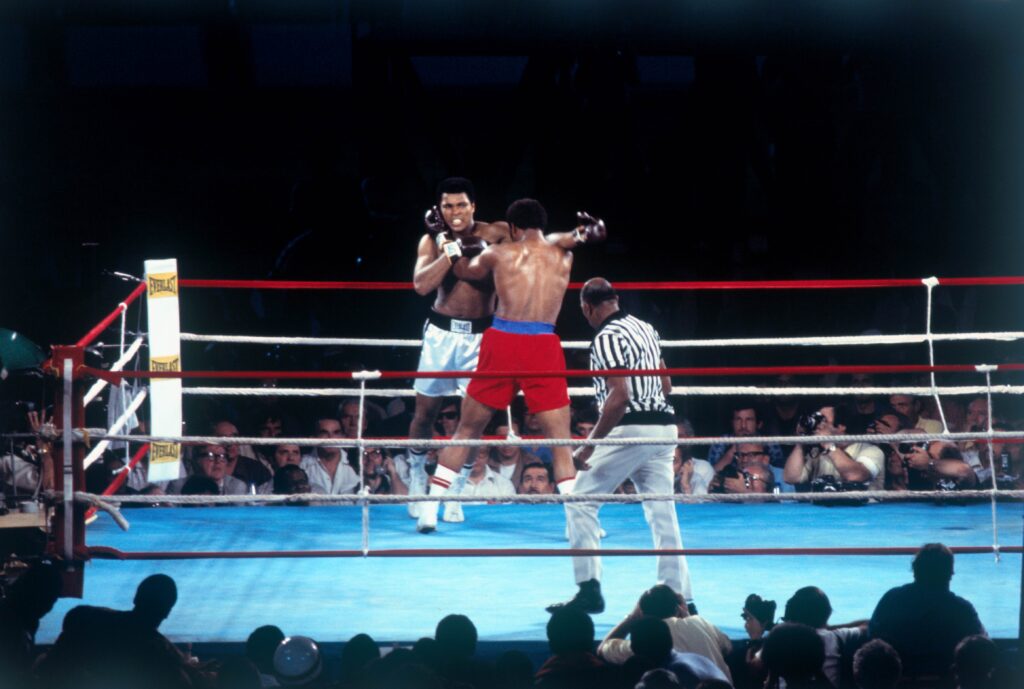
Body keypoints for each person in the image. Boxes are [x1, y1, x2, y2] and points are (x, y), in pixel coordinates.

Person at [415, 198, 606, 533]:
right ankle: (579, 522)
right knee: (560, 439)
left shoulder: (497, 254)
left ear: (513, 228)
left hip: (502, 340)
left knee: (467, 430)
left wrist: (445, 239)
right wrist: (585, 232)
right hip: (543, 344)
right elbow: (573, 237)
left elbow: (462, 271)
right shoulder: (563, 254)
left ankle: (430, 511)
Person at [548, 277, 691, 613]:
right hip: (665, 428)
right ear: (615, 299)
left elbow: (619, 398)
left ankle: (588, 591)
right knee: (662, 514)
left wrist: (587, 447)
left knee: (580, 501)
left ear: (587, 307)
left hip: (631, 428)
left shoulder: (606, 337)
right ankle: (680, 598)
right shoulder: (646, 327)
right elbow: (666, 384)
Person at [406, 177, 511, 523]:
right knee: (424, 414)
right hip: (440, 334)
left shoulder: (495, 232)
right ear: (439, 209)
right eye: (448, 206)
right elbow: (421, 286)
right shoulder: (430, 242)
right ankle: (417, 479)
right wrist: (447, 250)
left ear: (473, 207)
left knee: (473, 422)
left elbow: (529, 243)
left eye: (461, 205)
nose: (455, 212)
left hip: (482, 336)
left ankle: (456, 490)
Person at [868, 543, 986, 681]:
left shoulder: (892, 599)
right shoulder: (962, 610)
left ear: (915, 570)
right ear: (950, 573)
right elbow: (980, 646)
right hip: (945, 681)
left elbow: (873, 636)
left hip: (898, 681)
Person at [598, 585, 732, 681]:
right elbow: (728, 647)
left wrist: (631, 618)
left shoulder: (645, 642)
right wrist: (690, 617)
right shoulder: (701, 623)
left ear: (642, 614)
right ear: (677, 608)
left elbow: (602, 649)